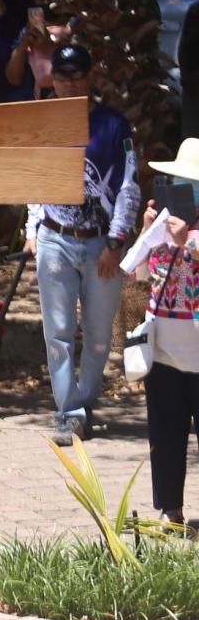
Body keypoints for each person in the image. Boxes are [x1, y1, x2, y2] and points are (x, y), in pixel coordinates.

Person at [24, 44, 142, 440]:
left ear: (90, 78)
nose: (69, 84)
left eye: (77, 76)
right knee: (57, 330)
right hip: (56, 237)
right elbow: (35, 179)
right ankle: (68, 410)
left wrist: (115, 242)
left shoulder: (112, 125)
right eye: (62, 77)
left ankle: (85, 403)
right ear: (52, 79)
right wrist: (32, 230)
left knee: (97, 334)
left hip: (99, 243)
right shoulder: (44, 123)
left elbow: (128, 187)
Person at [129, 143, 199, 525]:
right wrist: (147, 231)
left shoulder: (188, 233)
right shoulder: (163, 228)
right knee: (166, 434)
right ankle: (170, 510)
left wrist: (186, 239)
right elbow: (134, 272)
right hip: (163, 353)